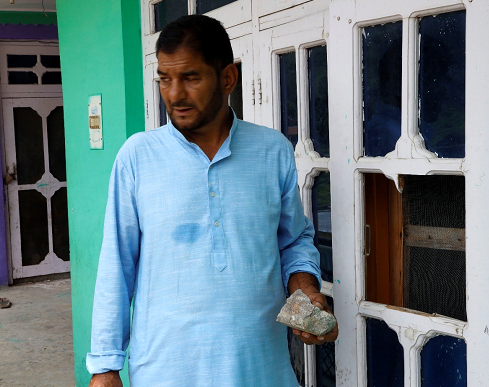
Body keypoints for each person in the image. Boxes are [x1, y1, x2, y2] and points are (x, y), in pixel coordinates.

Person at [87, 14, 338, 387]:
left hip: (260, 368)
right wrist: (105, 366)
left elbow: (293, 242)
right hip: (164, 370)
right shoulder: (137, 156)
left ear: (227, 78)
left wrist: (307, 294)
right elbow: (116, 263)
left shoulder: (272, 151)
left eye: (190, 77)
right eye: (165, 79)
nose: (174, 94)